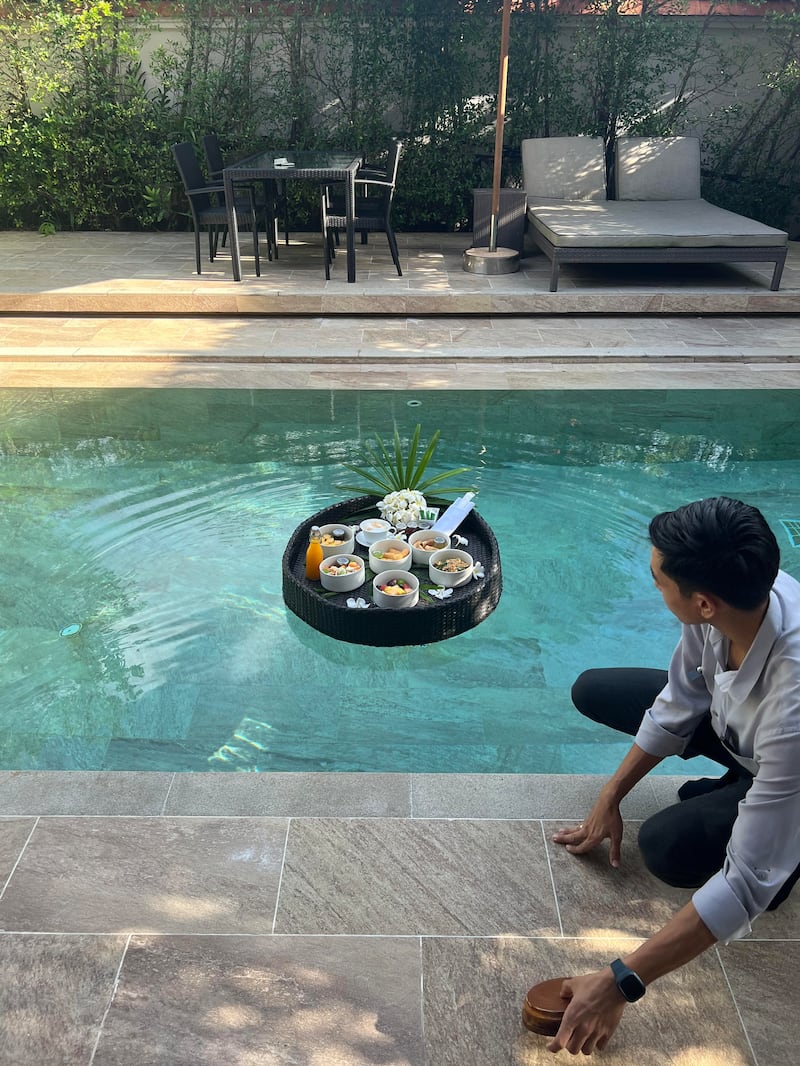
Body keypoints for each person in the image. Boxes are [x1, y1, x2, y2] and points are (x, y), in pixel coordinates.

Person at [540, 496, 800, 1056]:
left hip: (788, 763)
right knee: (595, 688)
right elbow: (679, 702)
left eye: (659, 582)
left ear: (703, 601)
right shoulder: (734, 600)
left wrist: (619, 981)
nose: (656, 590)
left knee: (666, 849)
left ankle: (780, 833)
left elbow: (746, 880)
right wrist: (612, 794)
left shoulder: (794, 699)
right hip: (747, 740)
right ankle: (737, 791)